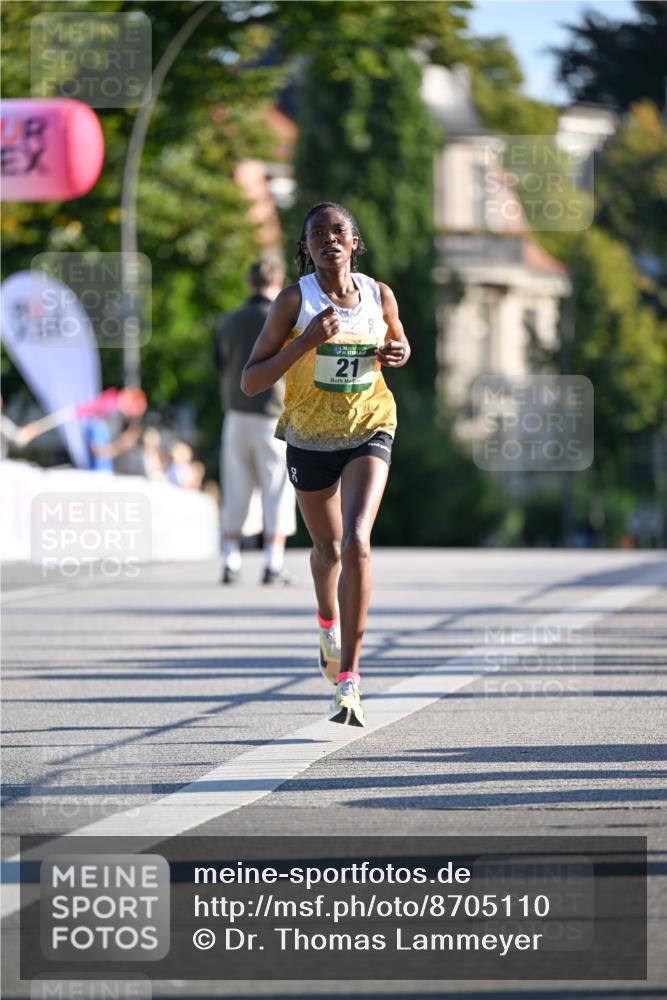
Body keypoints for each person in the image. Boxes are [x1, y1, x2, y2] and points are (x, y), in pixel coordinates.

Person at [241, 202, 410, 726]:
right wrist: (307, 341)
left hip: (369, 424)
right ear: (306, 246)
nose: (328, 240)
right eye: (317, 234)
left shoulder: (379, 294)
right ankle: (326, 619)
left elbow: (397, 340)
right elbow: (251, 380)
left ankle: (349, 681)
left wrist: (400, 350)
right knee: (328, 547)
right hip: (310, 437)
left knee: (358, 540)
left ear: (354, 242)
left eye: (338, 231)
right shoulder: (293, 301)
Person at [215, 258, 297, 585]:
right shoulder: (283, 320)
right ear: (279, 282)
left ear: (249, 283)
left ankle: (231, 559)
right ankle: (273, 563)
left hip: (235, 413)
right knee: (276, 488)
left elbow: (219, 365)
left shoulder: (228, 321)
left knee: (235, 485)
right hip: (273, 415)